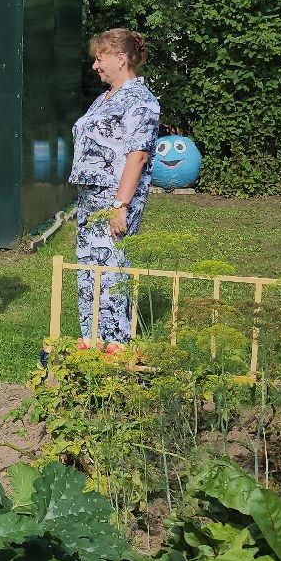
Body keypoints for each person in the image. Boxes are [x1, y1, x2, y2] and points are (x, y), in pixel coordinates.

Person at [68, 28, 161, 346]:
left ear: (121, 59)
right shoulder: (104, 98)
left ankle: (115, 347)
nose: (95, 65)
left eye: (100, 58)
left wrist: (120, 207)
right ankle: (92, 342)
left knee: (112, 273)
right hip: (90, 200)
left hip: (115, 200)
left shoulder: (141, 101)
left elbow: (138, 155)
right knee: (89, 271)